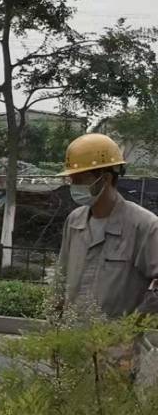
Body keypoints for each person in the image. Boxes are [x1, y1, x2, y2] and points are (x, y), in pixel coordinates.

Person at [57, 133, 158, 320]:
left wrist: (131, 327)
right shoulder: (74, 222)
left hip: (118, 346)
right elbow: (60, 278)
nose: (74, 186)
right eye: (72, 180)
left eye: (80, 179)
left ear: (105, 179)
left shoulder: (144, 226)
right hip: (72, 343)